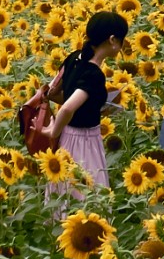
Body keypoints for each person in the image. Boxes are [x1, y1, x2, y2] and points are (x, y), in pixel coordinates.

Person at [45, 11, 129, 192]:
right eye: (122, 40)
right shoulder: (94, 74)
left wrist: (91, 109)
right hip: (84, 142)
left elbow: (52, 92)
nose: (122, 47)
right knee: (89, 195)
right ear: (113, 40)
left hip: (66, 138)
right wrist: (53, 133)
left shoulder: (74, 57)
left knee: (63, 194)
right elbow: (67, 108)